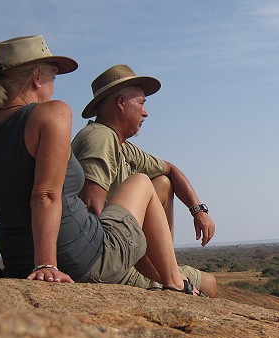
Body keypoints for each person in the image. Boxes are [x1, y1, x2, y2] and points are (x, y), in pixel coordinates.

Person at [0, 35, 200, 295]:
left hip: (18, 262)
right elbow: (45, 195)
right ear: (37, 77)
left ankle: (171, 278)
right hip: (84, 257)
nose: (53, 86)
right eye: (53, 78)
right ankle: (175, 282)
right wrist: (47, 264)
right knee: (141, 182)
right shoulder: (51, 113)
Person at [72, 64, 217, 297]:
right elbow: (91, 209)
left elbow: (170, 169)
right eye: (141, 103)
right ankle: (171, 278)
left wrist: (198, 210)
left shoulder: (122, 147)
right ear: (120, 103)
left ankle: (168, 265)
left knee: (161, 181)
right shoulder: (100, 137)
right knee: (209, 285)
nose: (146, 113)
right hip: (105, 255)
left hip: (122, 247)